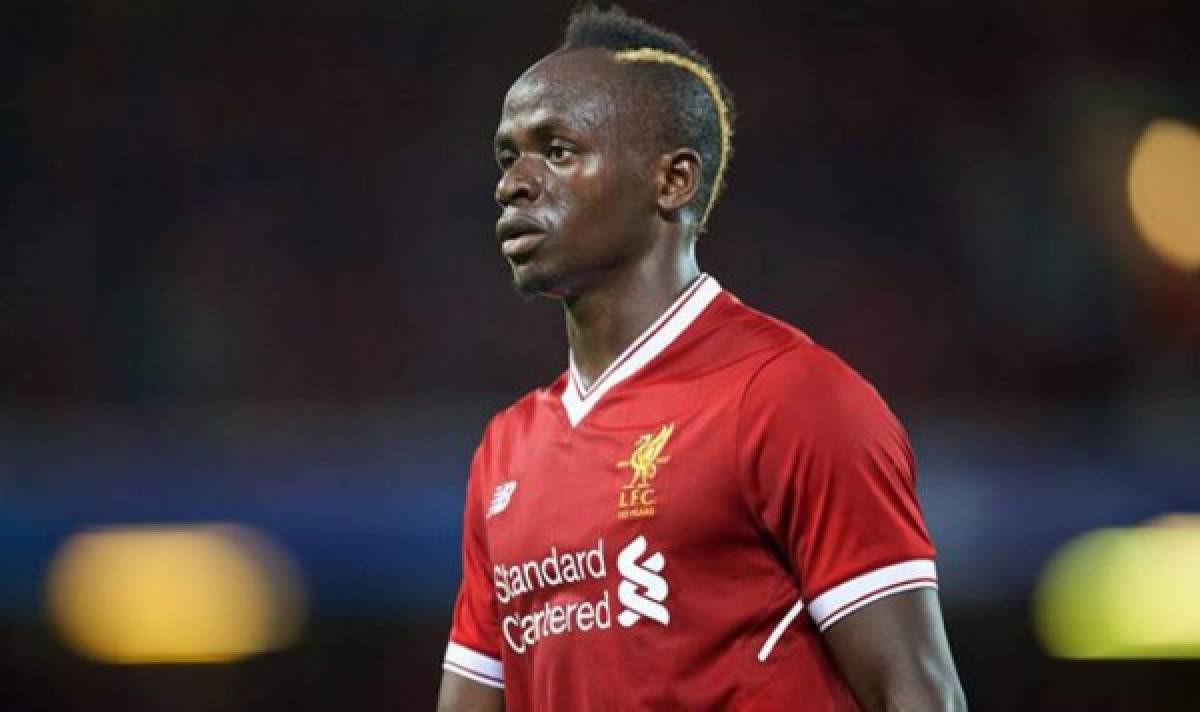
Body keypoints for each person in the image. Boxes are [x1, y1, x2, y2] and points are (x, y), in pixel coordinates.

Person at [437, 5, 965, 711]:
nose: (513, 184)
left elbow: (917, 693)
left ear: (673, 181)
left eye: (557, 151)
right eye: (509, 158)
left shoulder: (790, 398)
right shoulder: (506, 453)